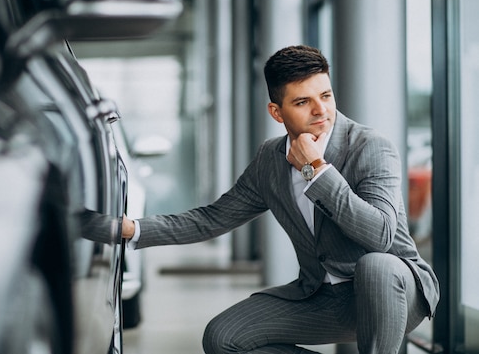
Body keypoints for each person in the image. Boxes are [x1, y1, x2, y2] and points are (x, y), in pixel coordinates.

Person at [121, 45, 439, 354]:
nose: (321, 110)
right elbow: (212, 218)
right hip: (324, 296)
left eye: (326, 96)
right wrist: (132, 229)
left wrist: (318, 170)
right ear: (277, 112)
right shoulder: (270, 160)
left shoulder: (370, 146)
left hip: (393, 292)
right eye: (303, 102)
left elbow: (381, 237)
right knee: (223, 337)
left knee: (376, 265)